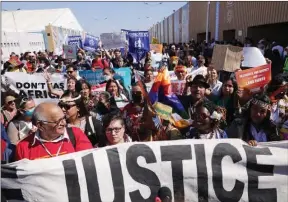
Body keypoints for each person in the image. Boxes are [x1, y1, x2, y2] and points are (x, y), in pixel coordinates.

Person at [15, 102, 93, 160]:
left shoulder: (76, 135)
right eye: (58, 121)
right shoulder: (24, 147)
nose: (64, 123)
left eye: (63, 118)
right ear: (40, 125)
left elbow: (88, 164)